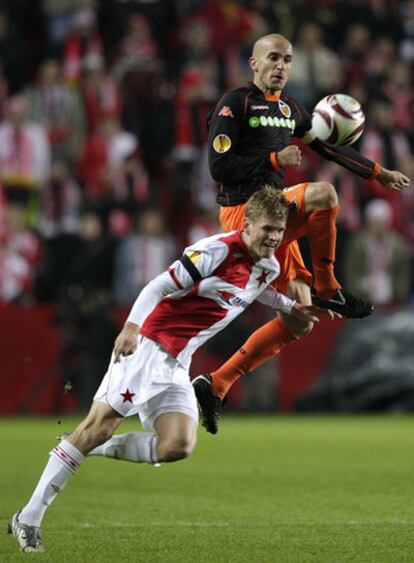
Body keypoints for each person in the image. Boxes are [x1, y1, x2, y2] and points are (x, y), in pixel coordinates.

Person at [8, 187, 326, 553]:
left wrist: (291, 305)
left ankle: (86, 447)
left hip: (177, 362)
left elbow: (256, 292)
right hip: (150, 346)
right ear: (249, 225)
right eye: (268, 228)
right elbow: (158, 285)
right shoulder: (216, 250)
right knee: (99, 425)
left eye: (280, 230)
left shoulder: (268, 266)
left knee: (178, 445)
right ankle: (29, 517)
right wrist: (131, 327)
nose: (274, 236)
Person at [194, 33, 410, 434]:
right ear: (254, 64)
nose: (280, 65)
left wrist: (377, 172)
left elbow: (329, 148)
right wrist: (275, 157)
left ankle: (216, 384)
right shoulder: (235, 104)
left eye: (287, 59)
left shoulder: (291, 108)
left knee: (299, 320)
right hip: (245, 214)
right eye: (273, 58)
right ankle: (329, 285)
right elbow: (219, 169)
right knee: (323, 194)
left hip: (276, 219)